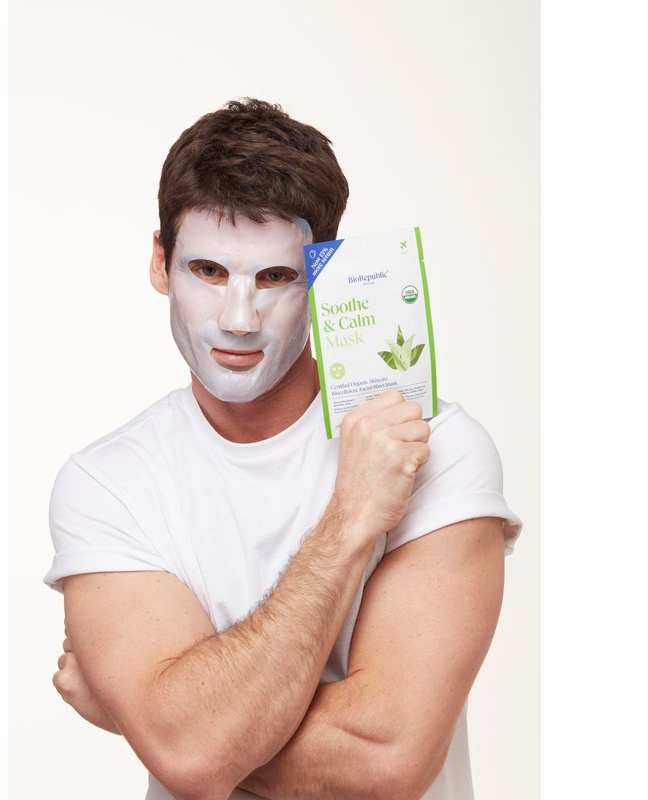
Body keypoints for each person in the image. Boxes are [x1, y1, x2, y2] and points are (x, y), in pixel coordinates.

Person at [44, 98, 522, 800]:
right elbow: (186, 747)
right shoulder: (108, 483)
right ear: (160, 262)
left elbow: (386, 759)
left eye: (275, 277)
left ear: (323, 275)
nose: (239, 319)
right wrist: (353, 518)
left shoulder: (436, 447)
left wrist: (150, 720)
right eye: (209, 271)